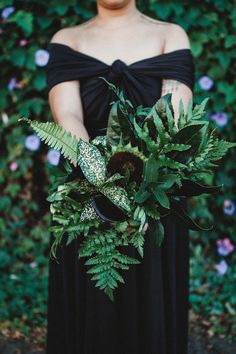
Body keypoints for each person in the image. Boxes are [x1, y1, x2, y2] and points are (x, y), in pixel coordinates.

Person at [45, 0, 195, 353]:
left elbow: (174, 119)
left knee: (152, 309)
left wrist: (139, 187)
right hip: (89, 192)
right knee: (93, 317)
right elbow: (67, 116)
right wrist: (102, 183)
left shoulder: (170, 36)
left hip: (154, 196)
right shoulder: (68, 39)